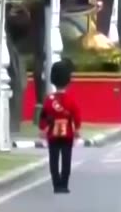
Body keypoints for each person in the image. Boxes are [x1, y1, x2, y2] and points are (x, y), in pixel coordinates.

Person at [40, 60, 80, 193]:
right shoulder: (71, 99)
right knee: (66, 160)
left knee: (54, 160)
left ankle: (56, 185)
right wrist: (77, 131)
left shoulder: (49, 99)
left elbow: (43, 116)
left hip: (53, 134)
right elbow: (76, 117)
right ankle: (64, 184)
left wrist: (43, 129)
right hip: (67, 133)